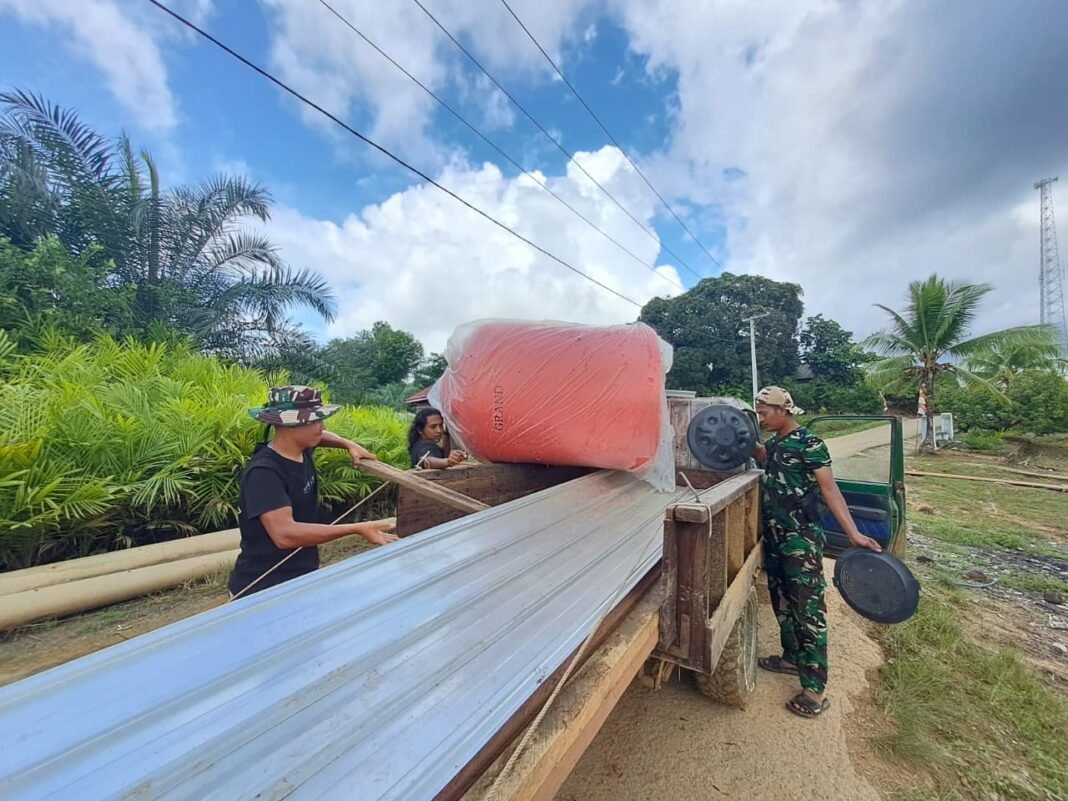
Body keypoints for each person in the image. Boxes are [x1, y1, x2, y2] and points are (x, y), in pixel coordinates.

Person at [751, 386, 882, 719]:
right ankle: (791, 658)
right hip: (776, 538)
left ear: (783, 411)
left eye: (764, 413)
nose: (761, 418)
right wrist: (737, 436)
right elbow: (765, 457)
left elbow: (830, 489)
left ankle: (814, 689)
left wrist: (854, 533)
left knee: (807, 609)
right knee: (781, 601)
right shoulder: (776, 442)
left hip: (801, 541)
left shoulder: (811, 444)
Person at [228, 385, 398, 599]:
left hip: (300, 576)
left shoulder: (301, 448)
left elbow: (323, 434)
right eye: (315, 420)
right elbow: (285, 535)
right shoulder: (264, 473)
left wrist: (348, 444)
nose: (322, 425)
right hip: (262, 589)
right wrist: (356, 528)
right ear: (289, 424)